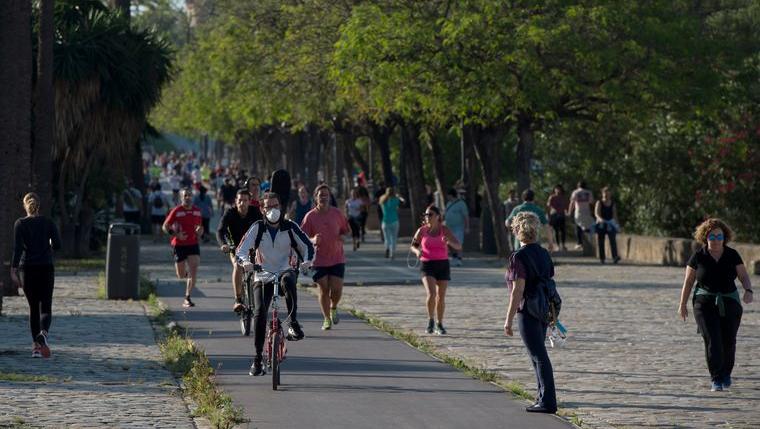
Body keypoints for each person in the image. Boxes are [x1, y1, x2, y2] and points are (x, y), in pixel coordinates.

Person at [237, 192, 314, 376]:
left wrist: (307, 261)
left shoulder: (290, 227)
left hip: (284, 270)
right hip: (262, 275)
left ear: (281, 207)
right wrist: (246, 262)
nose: (273, 210)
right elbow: (241, 250)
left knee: (289, 279)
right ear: (262, 209)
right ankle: (257, 360)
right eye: (268, 206)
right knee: (259, 314)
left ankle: (293, 323)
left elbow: (308, 246)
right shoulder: (257, 228)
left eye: (276, 205)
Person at [678, 218, 753, 392]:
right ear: (705, 237)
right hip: (704, 303)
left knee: (729, 340)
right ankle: (716, 378)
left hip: (730, 302)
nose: (716, 240)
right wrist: (682, 304)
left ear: (724, 237)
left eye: (720, 236)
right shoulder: (698, 256)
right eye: (712, 236)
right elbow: (688, 282)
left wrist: (748, 290)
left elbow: (743, 276)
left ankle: (726, 373)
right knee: (712, 339)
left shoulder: (732, 255)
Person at [503, 212, 557, 414]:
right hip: (543, 307)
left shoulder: (518, 257)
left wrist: (508, 319)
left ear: (518, 231)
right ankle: (542, 397)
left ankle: (548, 401)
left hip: (527, 309)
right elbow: (549, 278)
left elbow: (518, 290)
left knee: (538, 355)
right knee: (537, 354)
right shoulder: (544, 253)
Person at [11, 193, 62, 358]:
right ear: (39, 206)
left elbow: (17, 249)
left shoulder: (20, 224)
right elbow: (58, 245)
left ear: (25, 206)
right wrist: (48, 246)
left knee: (33, 308)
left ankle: (36, 348)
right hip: (46, 268)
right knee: (46, 306)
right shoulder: (48, 222)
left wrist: (13, 270)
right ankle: (43, 335)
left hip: (27, 270)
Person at [301, 184, 351, 330]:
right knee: (323, 288)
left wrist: (343, 237)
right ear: (315, 198)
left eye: (326, 195)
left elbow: (346, 231)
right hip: (318, 259)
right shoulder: (310, 216)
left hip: (336, 257)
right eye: (321, 195)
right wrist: (312, 240)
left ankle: (334, 307)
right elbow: (301, 237)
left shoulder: (337, 213)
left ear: (329, 197)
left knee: (336, 289)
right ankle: (326, 318)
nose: (323, 197)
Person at [411, 205, 461, 335]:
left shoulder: (444, 230)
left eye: (430, 214)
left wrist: (449, 241)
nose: (427, 217)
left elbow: (458, 246)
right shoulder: (422, 231)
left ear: (438, 216)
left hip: (443, 264)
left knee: (441, 297)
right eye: (426, 215)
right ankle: (430, 320)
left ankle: (440, 323)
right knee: (431, 294)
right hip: (427, 265)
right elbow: (413, 245)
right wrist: (417, 251)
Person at [217, 190, 262, 312]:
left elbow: (265, 228)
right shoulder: (230, 213)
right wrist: (224, 244)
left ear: (249, 201)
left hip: (253, 248)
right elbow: (220, 231)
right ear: (235, 202)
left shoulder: (255, 212)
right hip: (235, 247)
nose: (242, 203)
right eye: (240, 200)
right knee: (238, 266)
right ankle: (238, 300)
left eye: (245, 200)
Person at [163, 188, 204, 308]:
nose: (188, 197)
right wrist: (176, 235)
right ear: (181, 197)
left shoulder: (197, 211)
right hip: (179, 245)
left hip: (193, 244)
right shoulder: (176, 211)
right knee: (180, 275)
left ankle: (187, 297)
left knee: (194, 269)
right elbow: (165, 226)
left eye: (190, 195)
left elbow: (200, 228)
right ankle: (187, 276)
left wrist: (200, 232)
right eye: (185, 195)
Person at [594, 186, 621, 264]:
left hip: (610, 224)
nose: (606, 195)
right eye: (605, 193)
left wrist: (617, 225)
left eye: (608, 193)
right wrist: (601, 220)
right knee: (601, 241)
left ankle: (615, 257)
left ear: (610, 194)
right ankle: (602, 258)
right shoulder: (599, 202)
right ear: (602, 194)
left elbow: (614, 215)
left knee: (612, 240)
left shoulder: (612, 203)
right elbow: (596, 214)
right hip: (601, 224)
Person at [444, 188, 469, 266]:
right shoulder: (448, 203)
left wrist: (467, 226)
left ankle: (459, 259)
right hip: (448, 227)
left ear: (451, 195)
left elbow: (465, 216)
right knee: (449, 243)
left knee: (458, 242)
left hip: (458, 227)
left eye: (448, 195)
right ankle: (454, 257)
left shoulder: (461, 204)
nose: (447, 197)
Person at [567, 181, 595, 250]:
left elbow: (572, 203)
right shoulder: (589, 192)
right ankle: (589, 243)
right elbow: (592, 202)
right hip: (587, 212)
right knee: (587, 228)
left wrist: (569, 212)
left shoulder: (575, 192)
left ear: (578, 186)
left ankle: (579, 243)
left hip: (578, 212)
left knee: (578, 227)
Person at [379, 187, 404, 259]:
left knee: (387, 238)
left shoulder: (382, 200)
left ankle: (387, 248)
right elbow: (403, 201)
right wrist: (399, 196)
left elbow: (380, 206)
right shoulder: (396, 200)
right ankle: (392, 253)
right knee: (394, 238)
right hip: (394, 221)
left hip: (385, 221)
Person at [546, 185, 569, 252]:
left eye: (559, 189)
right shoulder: (552, 197)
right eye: (557, 189)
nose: (558, 190)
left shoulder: (563, 197)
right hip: (554, 216)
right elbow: (548, 206)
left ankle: (563, 245)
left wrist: (567, 213)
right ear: (555, 190)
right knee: (556, 231)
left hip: (562, 215)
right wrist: (549, 215)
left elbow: (566, 206)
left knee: (563, 231)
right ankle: (558, 245)